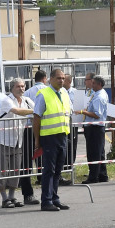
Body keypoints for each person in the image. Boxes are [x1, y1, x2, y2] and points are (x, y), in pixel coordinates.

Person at [0, 78, 35, 208]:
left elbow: (37, 109)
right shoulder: (7, 100)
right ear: (12, 88)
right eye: (18, 86)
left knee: (15, 170)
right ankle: (4, 199)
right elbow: (17, 111)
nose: (21, 89)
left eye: (23, 86)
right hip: (2, 139)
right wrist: (35, 112)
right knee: (0, 169)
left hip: (17, 140)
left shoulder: (26, 101)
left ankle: (11, 197)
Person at [32, 68, 72, 211]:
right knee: (49, 170)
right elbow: (36, 118)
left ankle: (55, 198)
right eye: (58, 78)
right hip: (49, 137)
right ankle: (46, 200)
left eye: (63, 78)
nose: (61, 80)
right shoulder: (43, 94)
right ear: (51, 79)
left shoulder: (65, 93)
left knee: (58, 171)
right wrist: (37, 140)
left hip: (62, 135)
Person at [80, 75, 110, 183]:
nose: (91, 85)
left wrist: (83, 112)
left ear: (99, 84)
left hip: (95, 127)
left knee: (94, 153)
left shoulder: (99, 96)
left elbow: (97, 114)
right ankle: (102, 175)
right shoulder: (96, 94)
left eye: (93, 83)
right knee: (99, 152)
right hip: (94, 127)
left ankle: (93, 176)